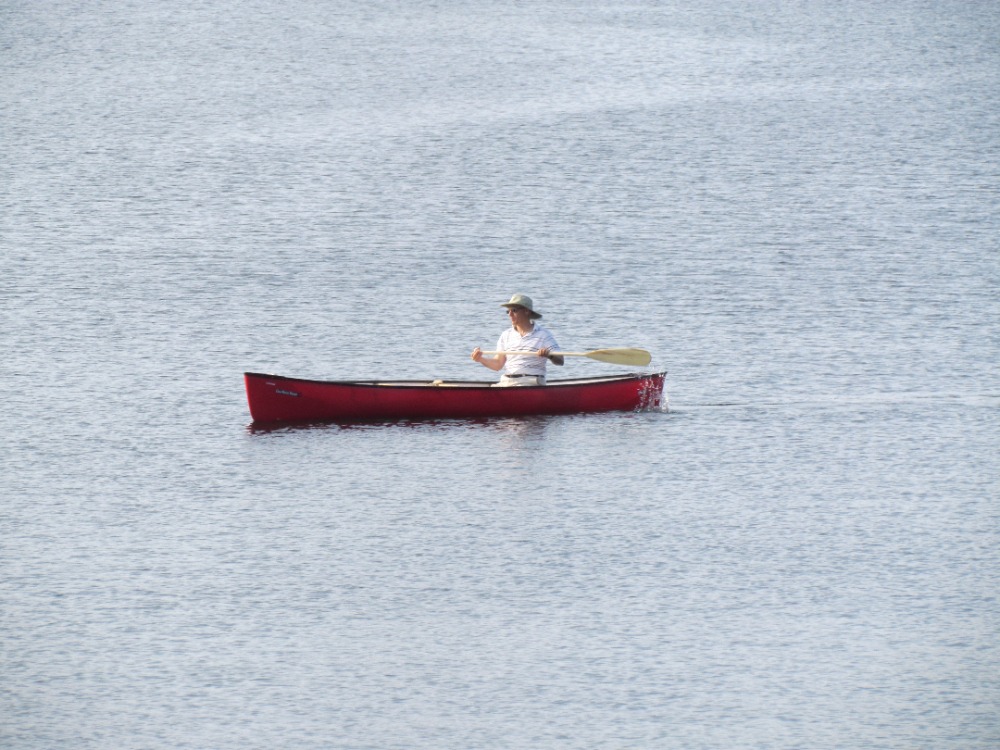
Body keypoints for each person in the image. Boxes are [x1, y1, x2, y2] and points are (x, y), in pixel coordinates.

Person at [471, 293, 564, 386]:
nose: (510, 314)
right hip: (507, 382)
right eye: (508, 311)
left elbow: (560, 360)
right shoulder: (506, 335)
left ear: (526, 311)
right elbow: (498, 364)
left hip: (531, 382)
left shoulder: (543, 334)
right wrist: (480, 359)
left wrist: (549, 356)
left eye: (514, 310)